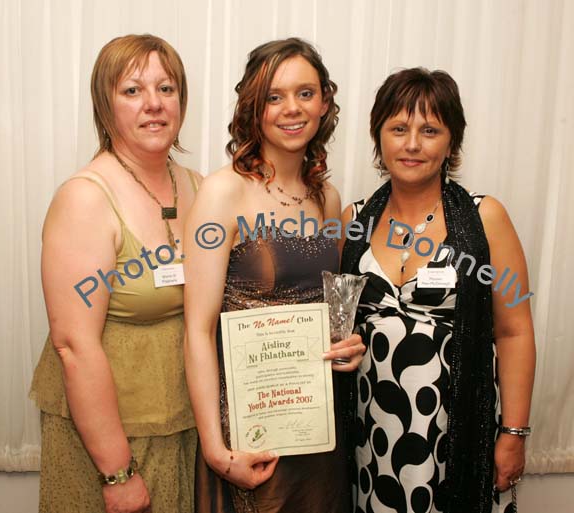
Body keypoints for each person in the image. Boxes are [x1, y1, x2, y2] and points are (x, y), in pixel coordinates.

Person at [340, 68, 536, 513]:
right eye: (398, 129)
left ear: (452, 142)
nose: (412, 144)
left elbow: (514, 332)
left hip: (452, 437)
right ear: (379, 137)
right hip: (370, 437)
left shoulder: (485, 220)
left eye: (429, 130)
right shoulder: (352, 223)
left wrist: (514, 433)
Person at [183, 38, 365, 513]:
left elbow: (325, 311)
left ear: (325, 102)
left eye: (305, 93)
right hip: (247, 432)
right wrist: (214, 449)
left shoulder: (326, 197)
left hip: (316, 427)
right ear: (253, 107)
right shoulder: (222, 193)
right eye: (274, 96)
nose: (292, 109)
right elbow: (197, 331)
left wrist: (346, 344)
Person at [29, 34, 202, 513]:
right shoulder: (85, 198)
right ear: (105, 106)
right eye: (132, 90)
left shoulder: (197, 187)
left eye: (166, 89)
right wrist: (117, 472)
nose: (153, 104)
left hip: (180, 424)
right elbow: (73, 346)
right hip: (107, 439)